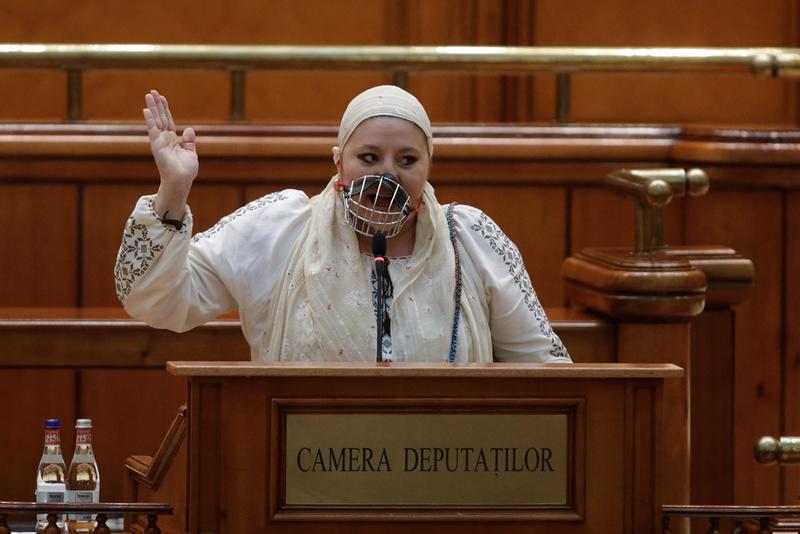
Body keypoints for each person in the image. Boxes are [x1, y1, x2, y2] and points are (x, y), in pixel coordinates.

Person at [114, 86, 570, 364]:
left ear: (430, 166)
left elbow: (544, 370)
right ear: (339, 161)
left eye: (407, 160)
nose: (387, 174)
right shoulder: (281, 228)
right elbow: (159, 303)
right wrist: (173, 190)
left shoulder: (470, 239)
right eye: (369, 157)